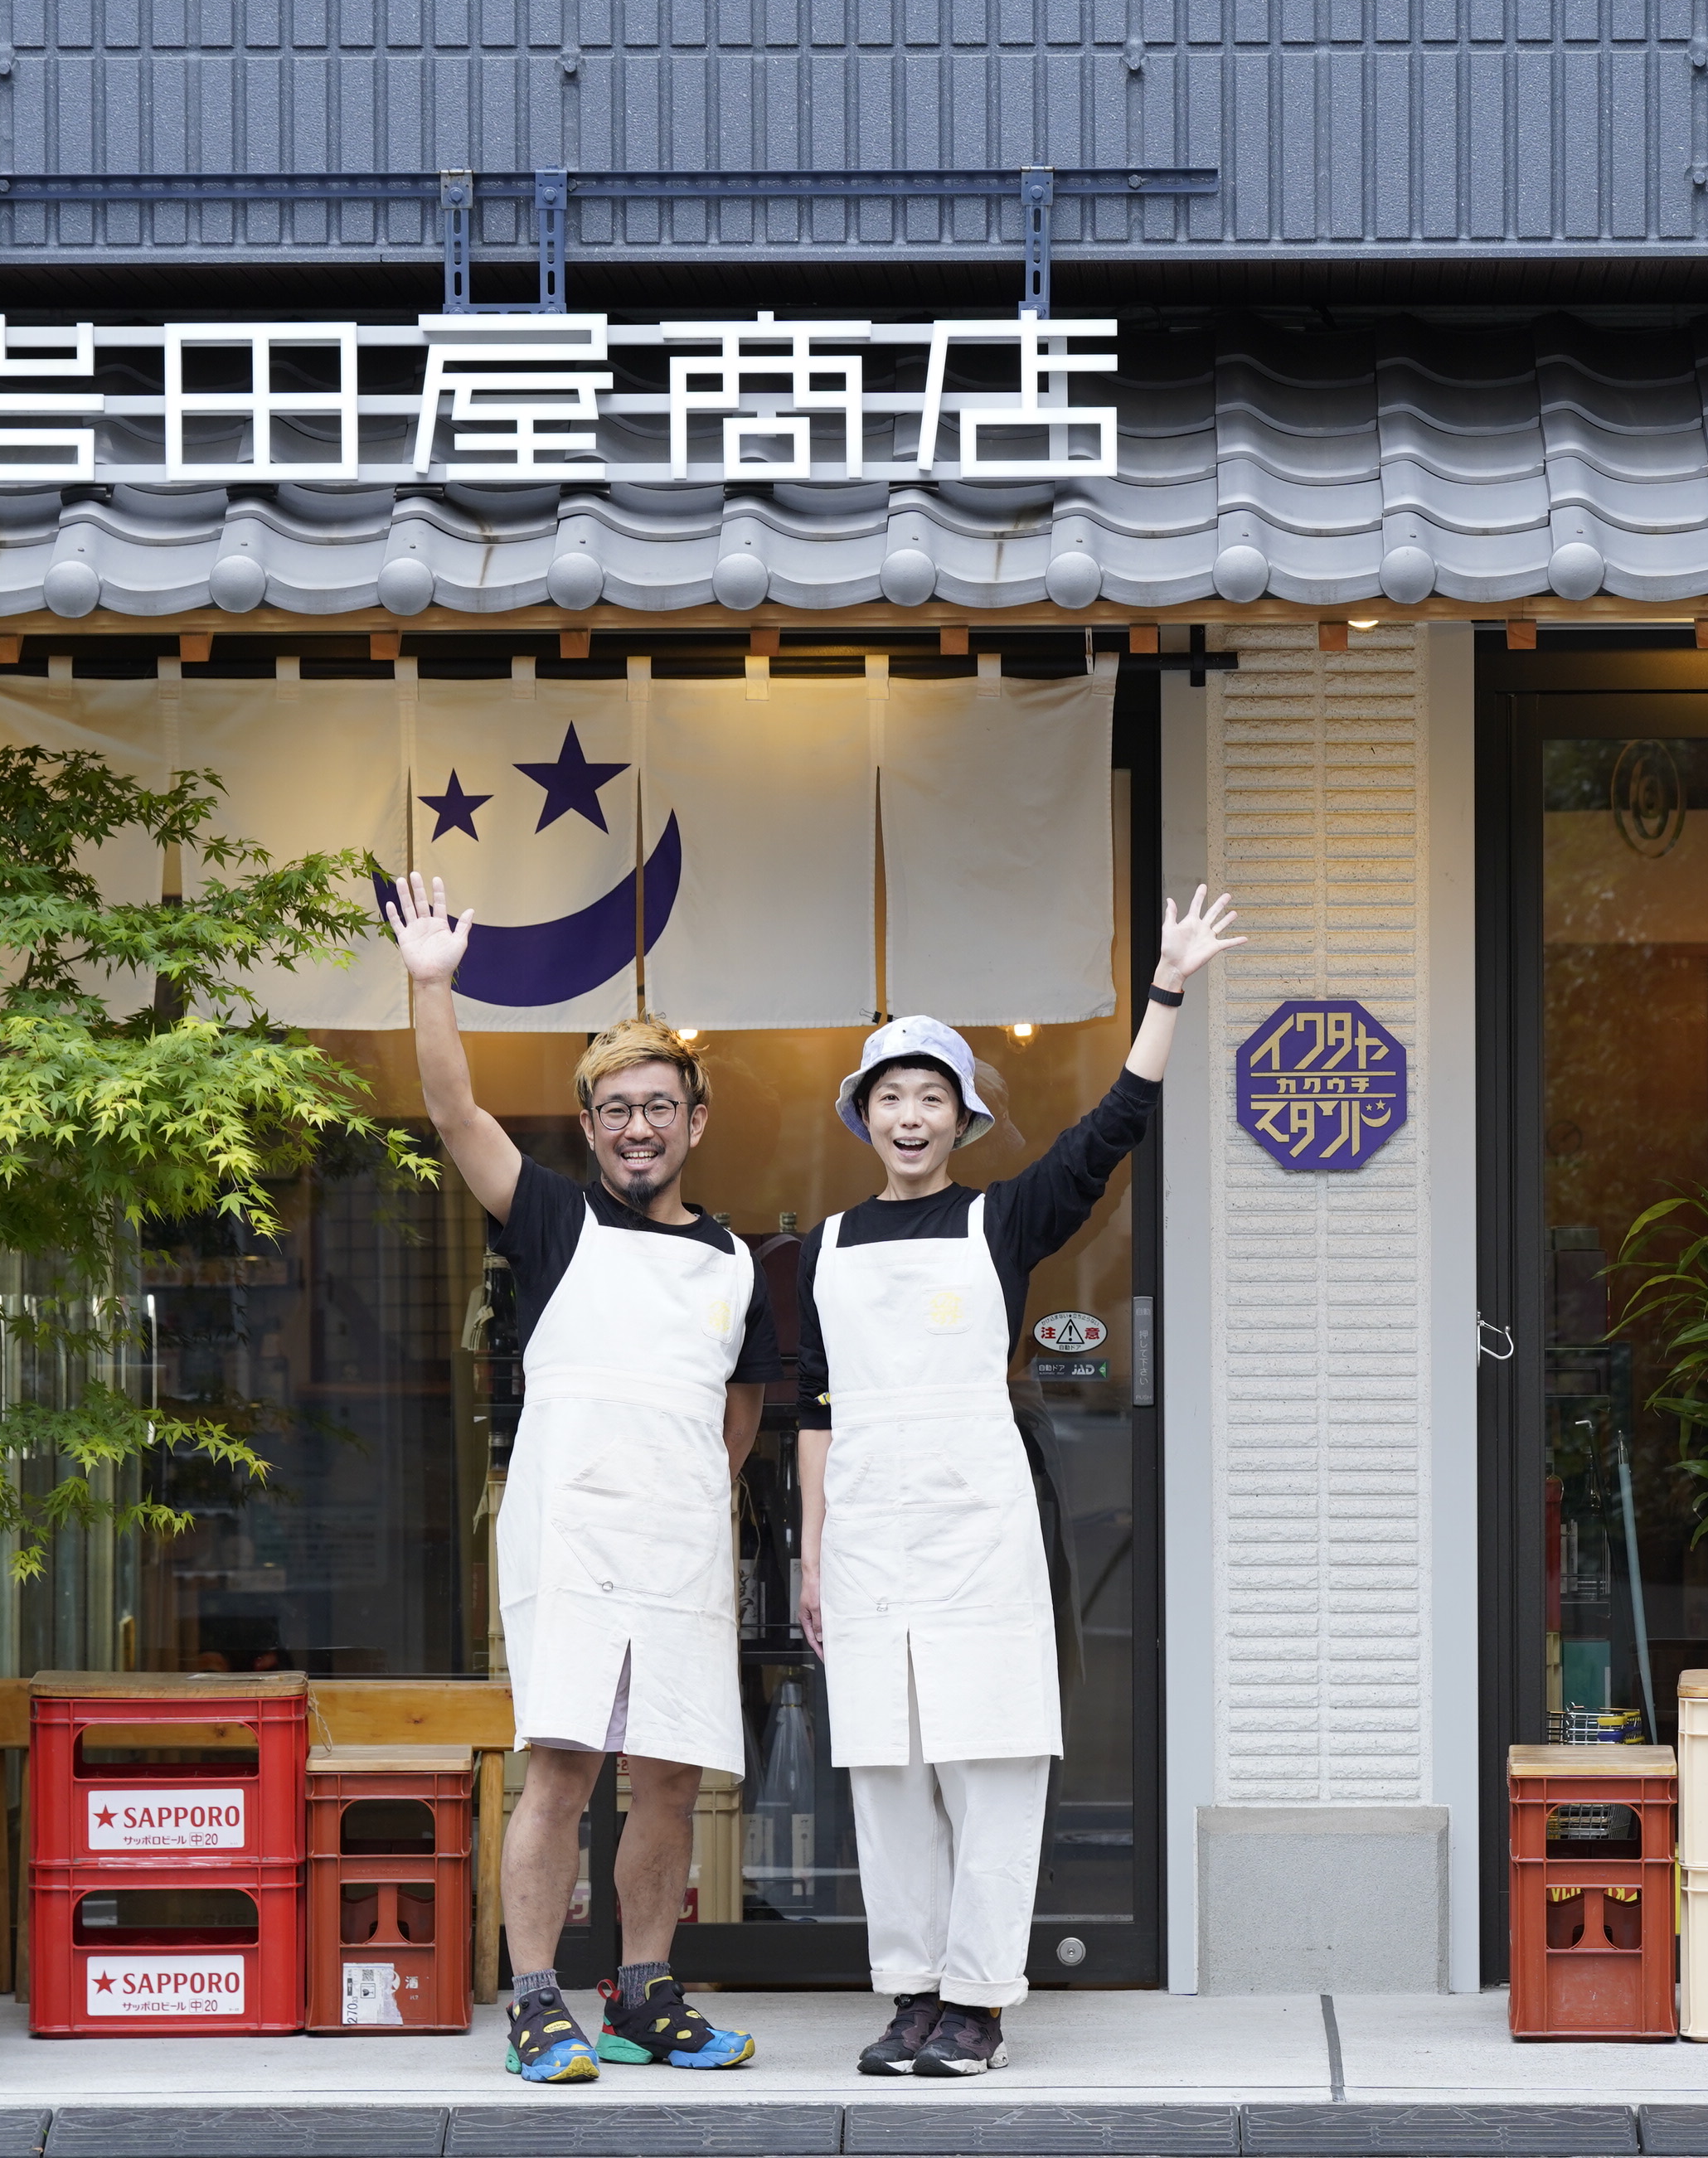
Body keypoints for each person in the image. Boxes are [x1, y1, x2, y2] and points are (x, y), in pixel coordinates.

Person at [798, 886, 1244, 2079]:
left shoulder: (1003, 1220)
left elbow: (1109, 1133)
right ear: (863, 1116)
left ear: (963, 1118)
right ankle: (912, 1993)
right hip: (867, 1537)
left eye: (929, 1097)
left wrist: (1167, 989)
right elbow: (812, 1407)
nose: (908, 1116)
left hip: (979, 1532)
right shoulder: (824, 1249)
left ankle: (982, 2000)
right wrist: (810, 1552)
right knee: (886, 1775)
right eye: (888, 1096)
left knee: (989, 1767)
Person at [389, 870, 771, 2085]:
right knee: (559, 1768)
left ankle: (646, 1993)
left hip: (680, 1544)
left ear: (695, 1121)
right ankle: (536, 1997)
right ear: (591, 1125)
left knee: (667, 1776)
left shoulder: (736, 1263)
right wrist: (431, 986)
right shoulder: (551, 1222)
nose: (639, 1128)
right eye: (616, 1111)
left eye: (659, 1107)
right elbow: (454, 1116)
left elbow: (744, 1407)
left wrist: (694, 1502)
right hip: (568, 1538)